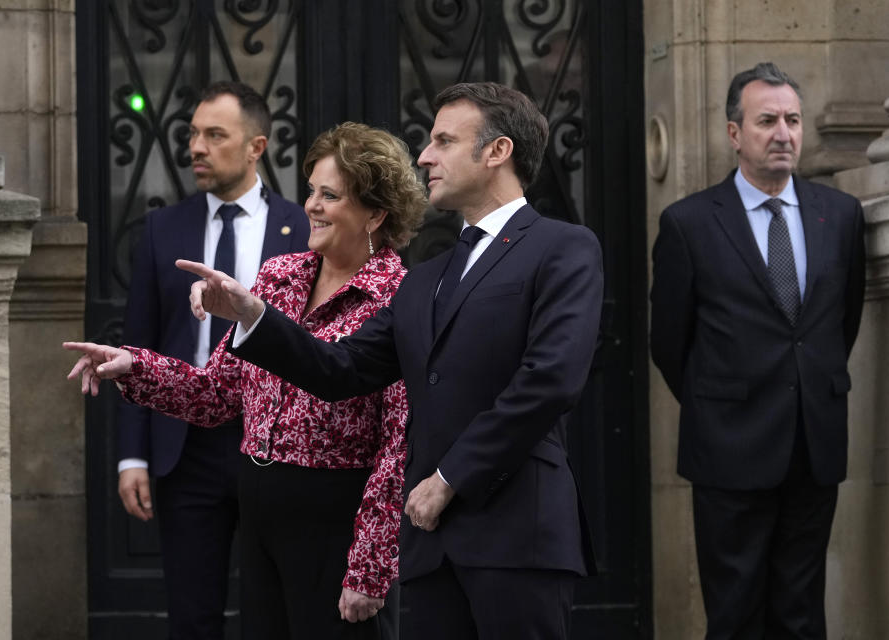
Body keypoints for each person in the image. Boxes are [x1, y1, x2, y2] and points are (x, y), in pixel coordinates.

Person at [176, 81, 603, 639]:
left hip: (517, 538)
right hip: (431, 549)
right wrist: (253, 313)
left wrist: (449, 477)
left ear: (498, 152)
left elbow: (549, 381)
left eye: (445, 141)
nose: (425, 155)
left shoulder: (563, 247)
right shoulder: (427, 278)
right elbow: (338, 370)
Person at [66, 121, 426, 639]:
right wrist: (135, 366)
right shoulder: (280, 277)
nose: (312, 205)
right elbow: (216, 395)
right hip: (258, 504)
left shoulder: (398, 298)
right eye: (311, 191)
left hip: (336, 518)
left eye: (330, 195)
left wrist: (369, 567)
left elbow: (398, 447)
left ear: (375, 213)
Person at [650, 62, 866, 639]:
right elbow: (670, 343)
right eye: (767, 120)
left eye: (793, 120)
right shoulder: (689, 223)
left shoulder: (840, 216)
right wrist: (722, 399)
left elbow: (842, 323)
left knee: (801, 611)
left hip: (813, 441)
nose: (784, 133)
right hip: (728, 445)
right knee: (735, 612)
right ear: (733, 133)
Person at [114, 80, 309, 639]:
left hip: (271, 442)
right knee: (192, 613)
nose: (196, 146)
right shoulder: (162, 228)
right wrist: (132, 456)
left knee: (270, 613)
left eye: (214, 135)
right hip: (184, 447)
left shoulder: (301, 229)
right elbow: (138, 345)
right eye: (193, 133)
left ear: (256, 147)